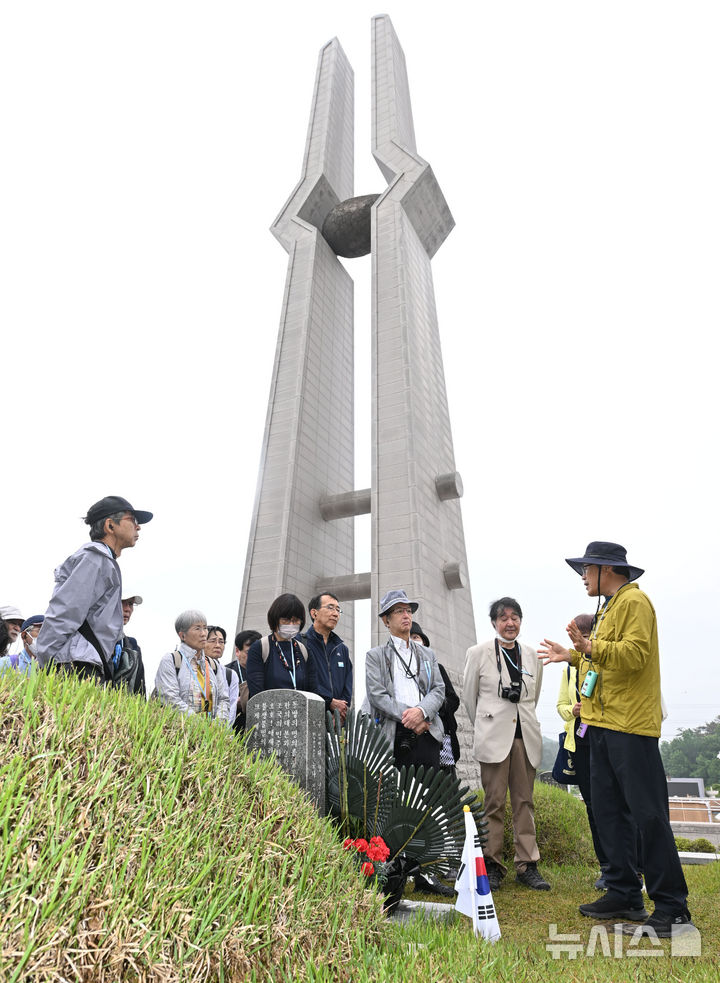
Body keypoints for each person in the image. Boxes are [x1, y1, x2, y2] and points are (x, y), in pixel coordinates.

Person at [538, 541, 693, 937]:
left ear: (606, 569)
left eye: (586, 569)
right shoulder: (607, 607)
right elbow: (604, 662)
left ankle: (672, 908)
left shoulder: (634, 602)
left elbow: (635, 654)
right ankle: (624, 893)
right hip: (602, 726)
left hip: (631, 727)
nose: (583, 577)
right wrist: (573, 656)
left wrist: (590, 646)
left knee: (647, 815)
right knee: (609, 813)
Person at [462, 597, 550, 892]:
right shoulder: (478, 653)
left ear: (520, 621)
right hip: (493, 739)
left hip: (525, 738)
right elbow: (470, 699)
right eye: (503, 618)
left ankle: (527, 865)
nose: (510, 623)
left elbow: (532, 697)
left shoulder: (533, 656)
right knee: (494, 803)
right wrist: (488, 725)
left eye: (515, 617)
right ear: (494, 623)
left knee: (525, 802)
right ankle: (492, 864)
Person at [36, 495, 152, 680]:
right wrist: (44, 662)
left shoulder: (103, 560)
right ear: (110, 526)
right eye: (132, 520)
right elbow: (66, 612)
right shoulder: (94, 559)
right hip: (77, 664)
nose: (138, 527)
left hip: (85, 660)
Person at [556, 612, 609, 886]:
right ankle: (607, 867)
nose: (578, 643)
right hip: (580, 741)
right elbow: (561, 706)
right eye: (575, 638)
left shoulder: (603, 660)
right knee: (592, 806)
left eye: (584, 637)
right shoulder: (569, 669)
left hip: (606, 739)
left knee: (614, 803)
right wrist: (573, 710)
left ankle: (631, 866)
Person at [365, 589, 445, 771]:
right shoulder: (375, 656)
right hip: (394, 735)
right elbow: (377, 696)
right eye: (399, 611)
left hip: (427, 730)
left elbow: (438, 689)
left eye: (408, 610)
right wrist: (412, 716)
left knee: (429, 787)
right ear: (386, 620)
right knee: (398, 788)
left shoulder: (428, 654)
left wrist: (422, 711)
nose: (406, 615)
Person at [408, 621, 458, 899]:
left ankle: (448, 862)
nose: (415, 641)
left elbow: (452, 700)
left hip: (441, 746)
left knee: (445, 805)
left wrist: (429, 709)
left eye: (419, 637)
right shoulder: (396, 669)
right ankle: (416, 866)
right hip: (411, 748)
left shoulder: (436, 668)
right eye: (411, 637)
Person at [154, 610, 230, 722]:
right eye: (197, 628)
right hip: (180, 729)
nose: (203, 633)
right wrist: (200, 724)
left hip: (211, 731)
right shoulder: (171, 660)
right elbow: (170, 699)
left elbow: (223, 699)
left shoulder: (213, 665)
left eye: (205, 628)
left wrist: (217, 724)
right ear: (182, 635)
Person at [246, 594, 318, 698]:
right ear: (275, 619)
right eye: (286, 620)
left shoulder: (304, 651)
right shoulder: (260, 648)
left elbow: (313, 691)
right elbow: (256, 693)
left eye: (296, 620)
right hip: (270, 707)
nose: (291, 624)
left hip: (299, 707)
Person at [303, 593, 352, 722]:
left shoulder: (342, 648)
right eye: (330, 608)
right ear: (314, 613)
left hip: (336, 721)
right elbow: (302, 683)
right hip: (309, 717)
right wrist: (328, 702)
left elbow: (347, 684)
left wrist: (340, 712)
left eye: (338, 610)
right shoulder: (301, 644)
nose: (335, 614)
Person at [227, 629, 261, 733]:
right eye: (249, 652)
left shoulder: (268, 671)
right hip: (235, 730)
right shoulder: (227, 672)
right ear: (237, 651)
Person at [205, 626, 238, 727]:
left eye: (221, 642)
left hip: (219, 733)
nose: (218, 645)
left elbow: (231, 709)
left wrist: (217, 731)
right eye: (213, 641)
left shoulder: (230, 675)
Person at [121, 593, 146, 696]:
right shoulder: (93, 640)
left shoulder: (133, 646)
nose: (127, 609)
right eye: (122, 602)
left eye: (131, 604)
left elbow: (139, 692)